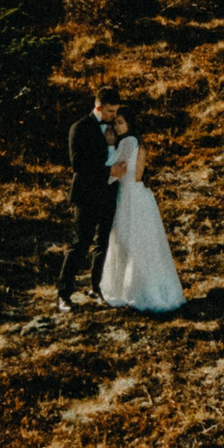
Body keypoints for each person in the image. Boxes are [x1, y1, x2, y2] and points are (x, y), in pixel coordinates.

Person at [98, 122, 185, 313]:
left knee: (128, 241)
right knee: (147, 243)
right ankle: (156, 287)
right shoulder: (139, 142)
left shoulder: (127, 142)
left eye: (121, 123)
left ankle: (132, 288)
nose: (117, 127)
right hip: (141, 195)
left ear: (130, 124)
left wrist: (110, 145)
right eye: (116, 123)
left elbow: (112, 168)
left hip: (129, 197)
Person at [59, 89, 124, 306]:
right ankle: (63, 294)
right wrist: (108, 172)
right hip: (86, 195)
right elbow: (78, 164)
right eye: (110, 111)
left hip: (108, 193)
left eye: (116, 111)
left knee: (102, 243)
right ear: (98, 107)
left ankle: (97, 287)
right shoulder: (79, 128)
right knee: (80, 244)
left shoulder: (115, 127)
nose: (114, 115)